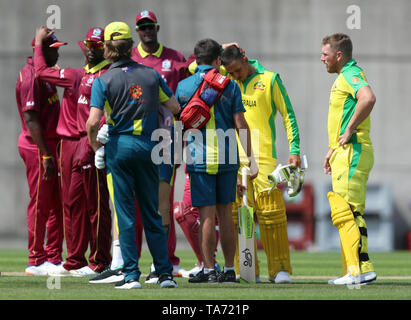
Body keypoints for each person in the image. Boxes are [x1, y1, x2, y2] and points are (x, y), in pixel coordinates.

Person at [86, 21, 180, 289]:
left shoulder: (104, 80)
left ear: (107, 48)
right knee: (152, 212)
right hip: (149, 148)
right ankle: (164, 274)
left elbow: (92, 122)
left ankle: (130, 275)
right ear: (130, 45)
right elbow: (174, 107)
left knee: (126, 214)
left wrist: (96, 147)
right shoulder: (152, 75)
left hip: (120, 148)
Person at [175, 38, 258, 283]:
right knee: (226, 215)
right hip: (228, 157)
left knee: (206, 216)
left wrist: (176, 157)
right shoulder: (230, 86)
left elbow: (179, 125)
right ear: (217, 60)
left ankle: (209, 270)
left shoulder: (183, 86)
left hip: (199, 157)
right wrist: (250, 159)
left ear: (196, 59)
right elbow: (241, 124)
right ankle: (230, 270)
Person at [221, 45, 301, 284]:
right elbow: (196, 62)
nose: (235, 76)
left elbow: (288, 115)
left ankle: (280, 269)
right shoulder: (224, 79)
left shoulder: (270, 79)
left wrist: (295, 149)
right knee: (235, 216)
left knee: (271, 214)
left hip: (263, 158)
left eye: (236, 70)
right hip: (233, 159)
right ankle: (245, 269)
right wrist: (223, 49)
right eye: (230, 72)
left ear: (245, 59)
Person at [131, 10, 190, 281]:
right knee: (134, 202)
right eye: (142, 27)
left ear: (157, 27)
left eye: (150, 26)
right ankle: (130, 262)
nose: (147, 31)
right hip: (136, 137)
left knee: (161, 203)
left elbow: (198, 66)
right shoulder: (129, 58)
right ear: (137, 31)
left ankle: (165, 261)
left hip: (167, 138)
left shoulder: (175, 58)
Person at [52, 26, 113, 277]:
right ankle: (74, 259)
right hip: (76, 143)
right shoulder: (80, 74)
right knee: (73, 202)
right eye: (90, 45)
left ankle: (100, 260)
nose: (92, 50)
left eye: (98, 46)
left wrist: (100, 138)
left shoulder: (107, 74)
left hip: (95, 142)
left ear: (105, 49)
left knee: (97, 204)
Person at [320, 33, 377, 285]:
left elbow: (368, 98)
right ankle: (357, 270)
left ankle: (359, 271)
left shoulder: (350, 74)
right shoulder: (345, 76)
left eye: (325, 54)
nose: (322, 58)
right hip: (345, 151)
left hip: (353, 150)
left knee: (347, 211)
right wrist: (332, 149)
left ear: (339, 55)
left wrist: (350, 129)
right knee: (349, 211)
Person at [16, 33, 66, 276]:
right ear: (41, 50)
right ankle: (35, 259)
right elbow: (31, 118)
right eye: (54, 48)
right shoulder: (30, 77)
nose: (58, 52)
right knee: (40, 204)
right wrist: (46, 155)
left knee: (57, 203)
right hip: (38, 148)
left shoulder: (46, 75)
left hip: (51, 147)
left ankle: (53, 257)